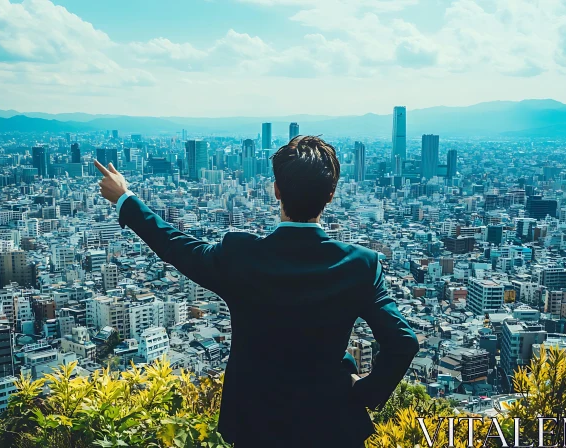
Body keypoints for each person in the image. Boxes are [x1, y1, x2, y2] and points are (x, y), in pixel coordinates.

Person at [95, 135, 418, 448]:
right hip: (334, 427)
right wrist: (364, 392)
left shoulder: (241, 256)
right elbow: (403, 342)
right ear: (331, 195)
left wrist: (126, 198)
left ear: (276, 190)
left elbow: (177, 247)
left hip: (258, 427)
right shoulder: (360, 265)